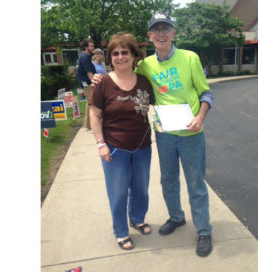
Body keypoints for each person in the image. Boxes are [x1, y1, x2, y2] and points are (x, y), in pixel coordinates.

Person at [92, 13, 214, 257]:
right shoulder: (145, 65)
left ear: (172, 33)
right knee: (167, 181)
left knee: (195, 184)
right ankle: (176, 217)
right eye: (155, 30)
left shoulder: (190, 58)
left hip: (190, 134)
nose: (160, 33)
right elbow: (121, 70)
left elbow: (205, 94)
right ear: (149, 36)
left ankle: (203, 230)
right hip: (164, 135)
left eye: (165, 28)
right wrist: (99, 76)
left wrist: (200, 117)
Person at [89, 32, 155, 250]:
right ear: (110, 58)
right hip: (115, 148)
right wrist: (100, 143)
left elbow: (158, 106)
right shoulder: (102, 84)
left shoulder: (145, 82)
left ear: (133, 55)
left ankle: (136, 218)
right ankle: (120, 231)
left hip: (143, 146)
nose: (120, 57)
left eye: (124, 52)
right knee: (117, 191)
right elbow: (94, 115)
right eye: (115, 53)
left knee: (141, 188)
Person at [76, 39, 96, 130]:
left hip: (86, 83)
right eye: (91, 46)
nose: (93, 48)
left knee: (89, 103)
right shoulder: (84, 57)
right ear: (85, 47)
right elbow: (89, 73)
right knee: (91, 102)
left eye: (93, 46)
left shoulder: (85, 57)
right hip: (86, 83)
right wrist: (95, 83)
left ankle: (88, 125)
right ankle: (89, 125)